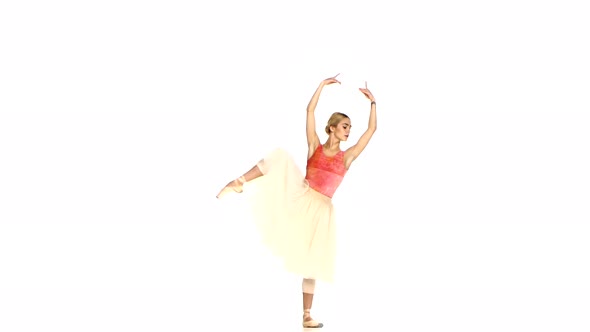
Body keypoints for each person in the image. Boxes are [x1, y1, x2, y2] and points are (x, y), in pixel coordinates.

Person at [216, 73, 377, 328]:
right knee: (280, 158)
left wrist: (373, 104)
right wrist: (322, 85)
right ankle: (239, 182)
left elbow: (371, 130)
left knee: (312, 263)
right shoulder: (315, 146)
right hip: (302, 198)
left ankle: (306, 316)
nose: (349, 131)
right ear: (333, 127)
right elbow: (309, 110)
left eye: (350, 128)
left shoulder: (346, 158)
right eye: (345, 126)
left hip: (322, 211)